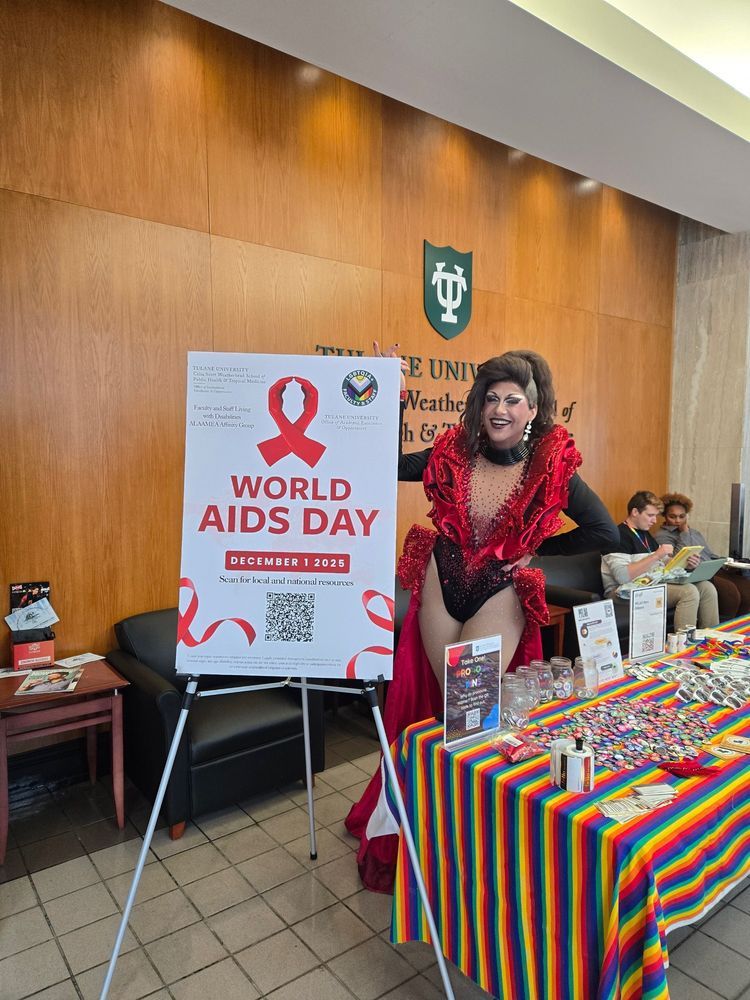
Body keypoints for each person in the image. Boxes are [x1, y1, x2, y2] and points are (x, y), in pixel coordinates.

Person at [345, 345, 618, 892]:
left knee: (469, 711)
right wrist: (388, 391)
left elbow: (603, 532)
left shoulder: (551, 466)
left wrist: (532, 553)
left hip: (499, 590)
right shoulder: (452, 450)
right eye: (491, 397)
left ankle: (468, 842)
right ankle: (426, 829)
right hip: (441, 580)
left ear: (533, 408)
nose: (500, 408)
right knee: (441, 706)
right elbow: (385, 463)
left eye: (512, 399)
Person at [601, 490, 719, 629]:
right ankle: (686, 645)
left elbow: (663, 565)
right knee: (689, 592)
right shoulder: (617, 536)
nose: (655, 521)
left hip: (651, 583)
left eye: (656, 516)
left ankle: (712, 638)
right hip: (623, 592)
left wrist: (686, 563)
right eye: (650, 515)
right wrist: (656, 555)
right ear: (634, 512)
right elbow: (622, 577)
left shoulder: (645, 534)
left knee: (707, 588)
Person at [655, 492, 750, 620]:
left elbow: (709, 554)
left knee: (746, 587)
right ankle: (725, 628)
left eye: (681, 516)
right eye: (673, 516)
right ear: (665, 516)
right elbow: (677, 560)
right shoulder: (663, 535)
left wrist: (726, 562)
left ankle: (739, 626)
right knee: (730, 592)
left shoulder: (695, 533)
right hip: (695, 572)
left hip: (713, 569)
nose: (677, 520)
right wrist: (684, 533)